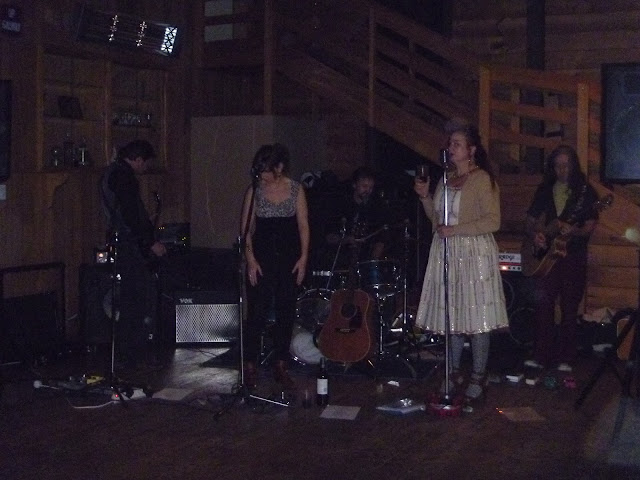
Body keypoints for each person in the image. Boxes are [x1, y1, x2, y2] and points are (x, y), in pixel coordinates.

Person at [413, 122, 508, 404]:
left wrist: (456, 230)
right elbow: (436, 220)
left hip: (474, 252)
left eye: (457, 144)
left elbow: (493, 221)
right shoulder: (446, 177)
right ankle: (452, 372)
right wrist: (425, 197)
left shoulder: (482, 179)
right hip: (448, 252)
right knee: (453, 314)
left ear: (471, 150)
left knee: (477, 317)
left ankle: (478, 376)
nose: (451, 148)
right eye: (450, 143)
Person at [524, 145, 598, 373]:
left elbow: (589, 226)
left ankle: (567, 357)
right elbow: (530, 220)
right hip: (547, 257)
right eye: (557, 165)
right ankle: (541, 355)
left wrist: (574, 231)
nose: (562, 170)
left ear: (574, 165)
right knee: (543, 305)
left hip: (573, 255)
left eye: (566, 165)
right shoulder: (545, 189)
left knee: (569, 307)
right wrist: (536, 235)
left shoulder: (585, 192)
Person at [240, 143, 310, 389]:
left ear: (279, 168)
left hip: (289, 259)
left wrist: (303, 258)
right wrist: (251, 260)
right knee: (256, 311)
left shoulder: (296, 190)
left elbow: (303, 226)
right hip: (262, 259)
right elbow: (246, 230)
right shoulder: (254, 191)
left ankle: (280, 363)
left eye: (266, 170)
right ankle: (250, 365)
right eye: (260, 171)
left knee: (285, 310)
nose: (263, 176)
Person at [101, 139, 167, 370]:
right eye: (144, 163)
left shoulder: (113, 173)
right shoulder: (123, 177)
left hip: (126, 241)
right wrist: (150, 243)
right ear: (138, 160)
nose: (145, 168)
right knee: (137, 298)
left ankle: (129, 354)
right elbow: (132, 215)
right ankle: (133, 354)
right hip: (130, 244)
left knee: (131, 297)